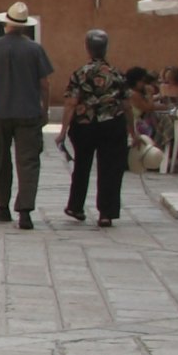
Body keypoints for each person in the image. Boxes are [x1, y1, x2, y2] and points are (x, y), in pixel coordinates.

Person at [0, 2, 54, 228]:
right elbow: (45, 84)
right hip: (29, 113)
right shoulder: (35, 49)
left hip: (0, 113)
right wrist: (44, 109)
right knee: (28, 162)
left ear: (6, 23)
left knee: (1, 159)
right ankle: (25, 211)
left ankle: (2, 206)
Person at [61, 29, 133, 226]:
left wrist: (62, 130)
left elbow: (71, 102)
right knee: (110, 168)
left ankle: (75, 206)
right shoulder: (117, 74)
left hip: (85, 125)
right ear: (106, 48)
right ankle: (106, 213)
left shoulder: (80, 74)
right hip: (112, 124)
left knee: (82, 166)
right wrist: (133, 131)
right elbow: (127, 105)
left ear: (87, 48)